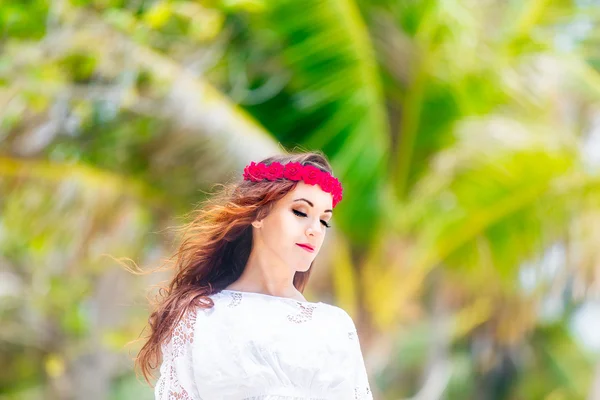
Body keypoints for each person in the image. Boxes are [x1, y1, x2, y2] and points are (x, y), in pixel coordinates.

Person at [136, 152, 373, 399]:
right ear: (259, 215)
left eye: (324, 220)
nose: (315, 230)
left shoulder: (334, 327)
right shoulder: (200, 316)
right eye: (301, 212)